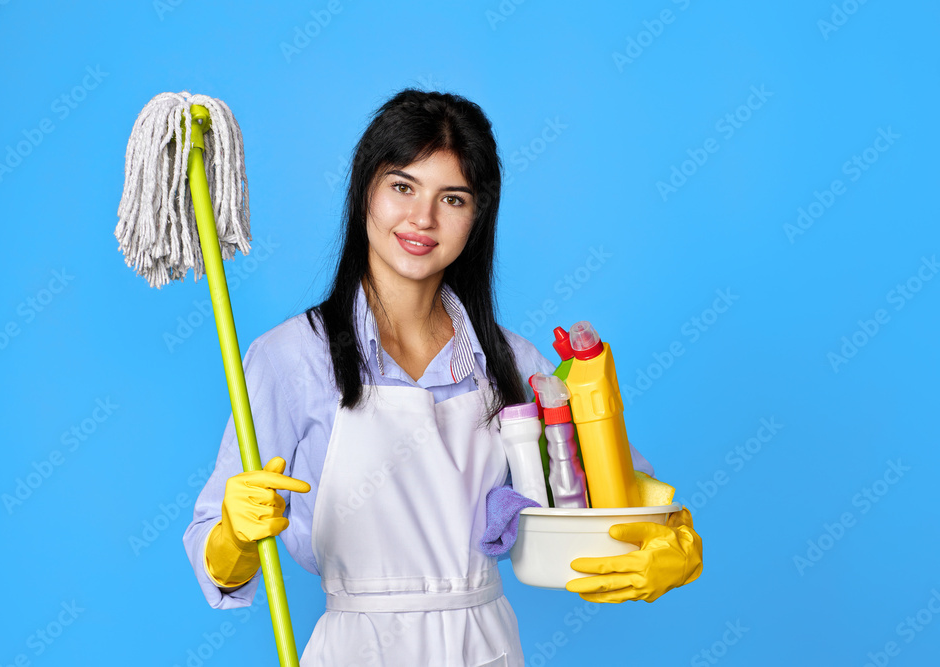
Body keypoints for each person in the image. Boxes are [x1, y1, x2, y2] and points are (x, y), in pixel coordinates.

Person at [184, 89, 701, 666]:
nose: (423, 219)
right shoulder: (291, 357)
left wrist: (675, 538)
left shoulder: (512, 362)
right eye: (402, 187)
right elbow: (212, 553)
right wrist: (234, 535)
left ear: (478, 217)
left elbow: (615, 490)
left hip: (485, 646)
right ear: (364, 191)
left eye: (452, 198)